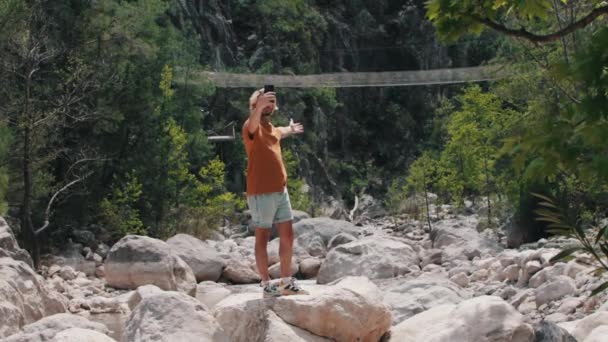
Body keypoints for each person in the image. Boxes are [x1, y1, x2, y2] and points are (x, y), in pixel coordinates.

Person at [242, 87, 308, 298]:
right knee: (262, 236)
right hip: (261, 192)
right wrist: (259, 106)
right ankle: (266, 284)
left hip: (281, 191)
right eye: (264, 102)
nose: (269, 105)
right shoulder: (250, 127)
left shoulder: (272, 129)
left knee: (287, 236)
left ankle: (287, 282)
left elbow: (282, 131)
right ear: (255, 105)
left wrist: (290, 128)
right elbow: (253, 124)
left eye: (271, 102)